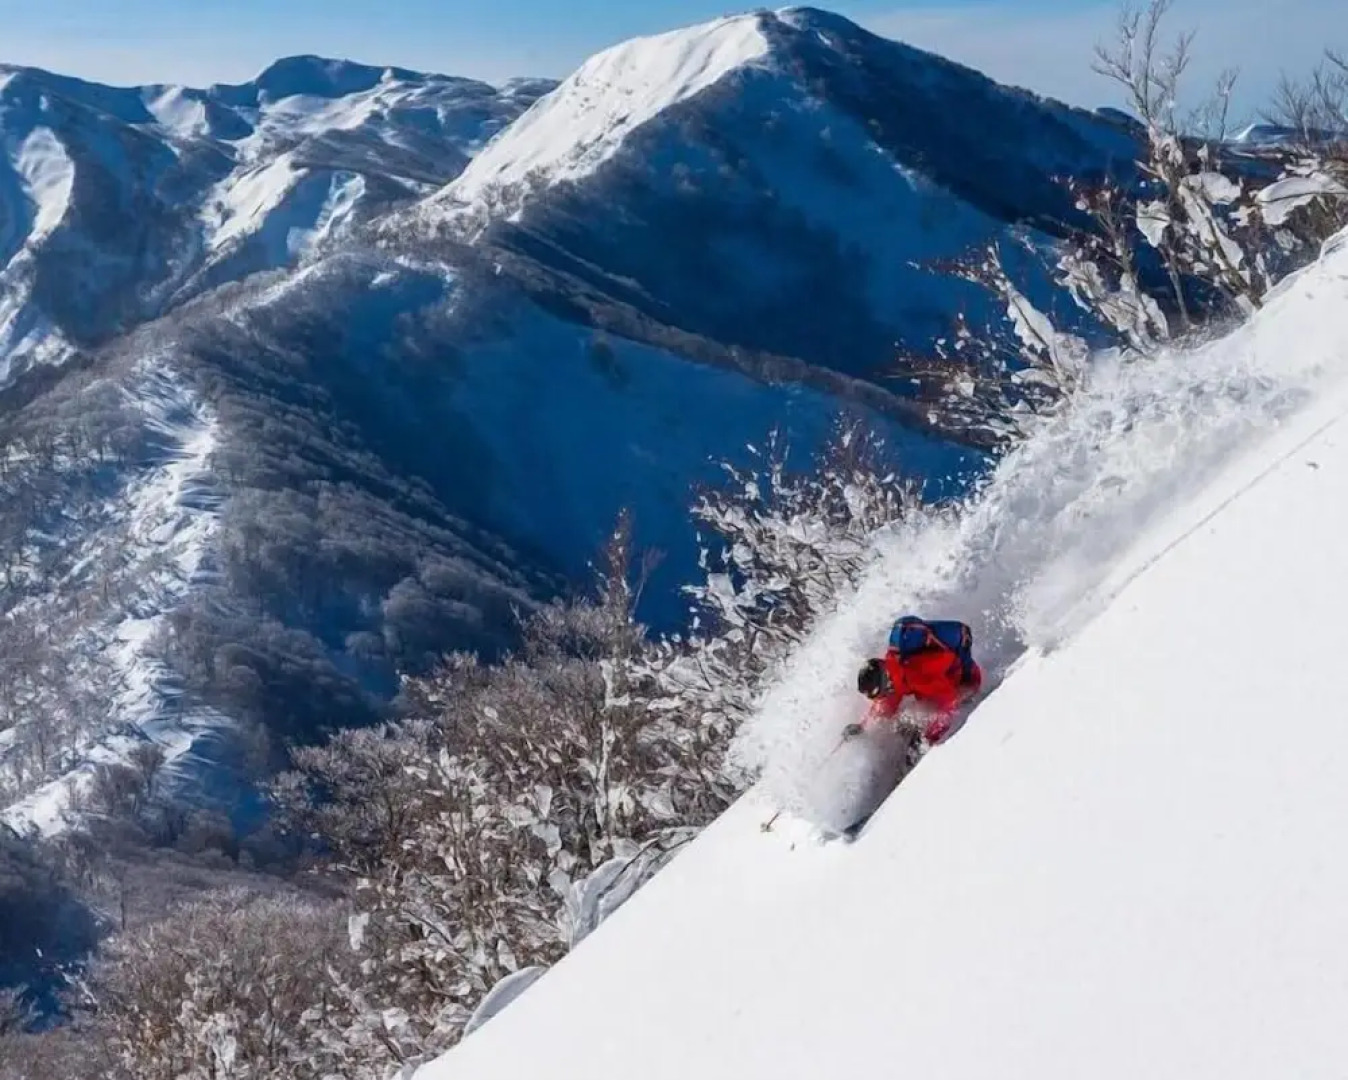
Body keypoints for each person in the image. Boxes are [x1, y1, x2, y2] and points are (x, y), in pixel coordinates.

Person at [845, 616, 983, 746]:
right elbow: (885, 705)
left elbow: (949, 703)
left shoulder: (917, 676)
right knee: (911, 716)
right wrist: (863, 726)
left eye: (881, 693)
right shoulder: (893, 667)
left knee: (959, 696)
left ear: (887, 685)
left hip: (964, 676)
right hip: (943, 665)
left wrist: (929, 738)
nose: (882, 697)